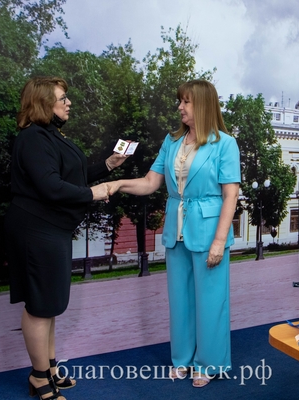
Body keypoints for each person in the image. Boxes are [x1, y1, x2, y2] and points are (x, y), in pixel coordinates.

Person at [107, 79, 240, 388]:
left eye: (186, 102)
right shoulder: (171, 141)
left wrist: (219, 241)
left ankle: (208, 364)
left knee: (210, 301)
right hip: (175, 230)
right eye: (180, 101)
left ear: (203, 105)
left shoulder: (225, 144)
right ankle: (182, 360)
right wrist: (117, 185)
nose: (180, 107)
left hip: (209, 232)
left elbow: (230, 196)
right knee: (179, 300)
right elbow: (150, 183)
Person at [5, 76, 127, 400]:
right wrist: (92, 193)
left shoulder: (51, 137)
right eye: (62, 98)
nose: (68, 102)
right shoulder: (32, 138)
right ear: (44, 104)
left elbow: (72, 174)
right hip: (36, 229)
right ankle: (39, 377)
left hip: (51, 230)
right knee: (40, 305)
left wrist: (108, 165)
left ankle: (50, 367)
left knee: (50, 305)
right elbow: (50, 186)